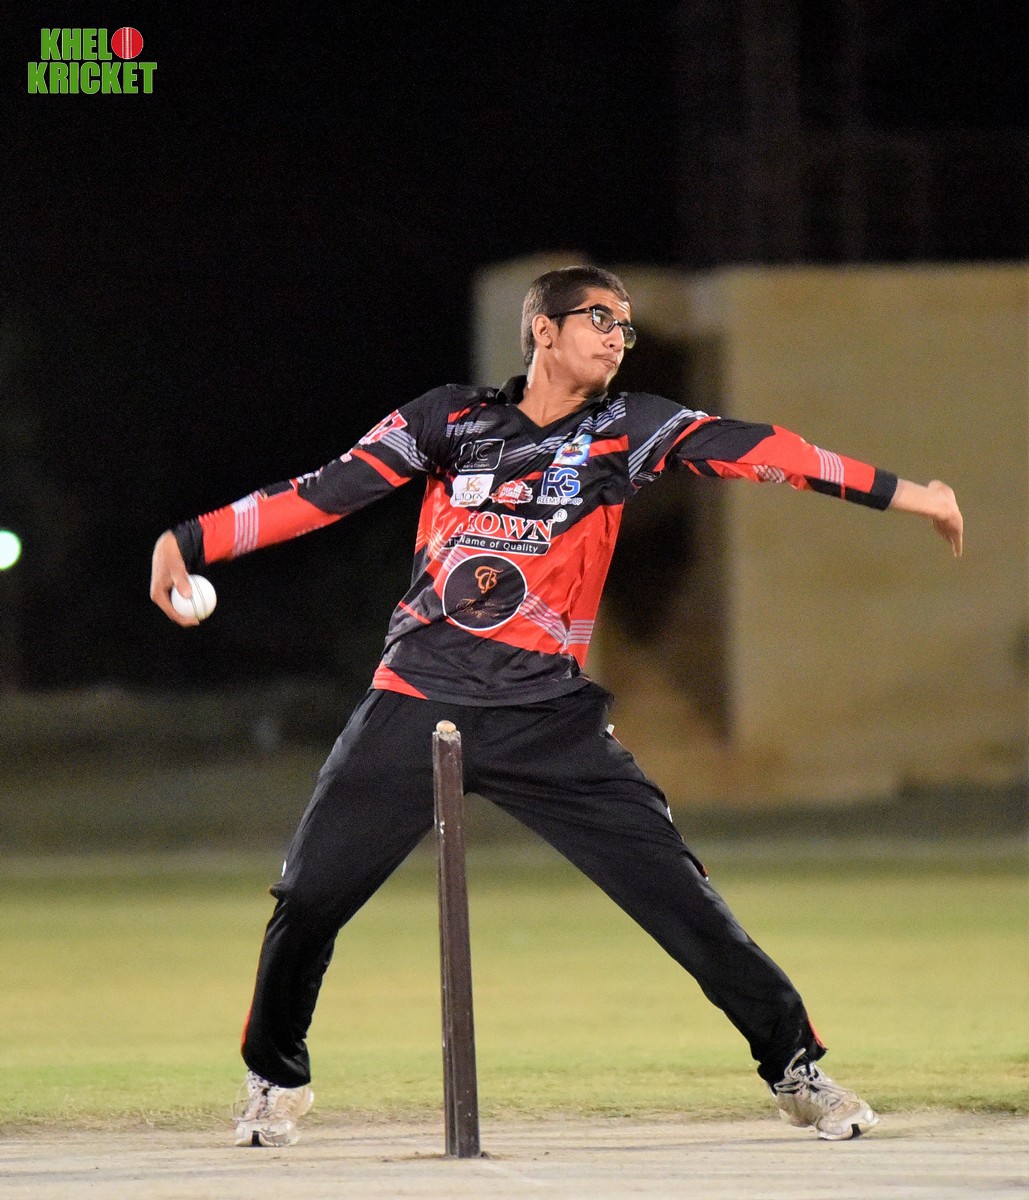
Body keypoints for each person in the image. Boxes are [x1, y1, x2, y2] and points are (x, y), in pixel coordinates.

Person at [151, 265, 963, 1148]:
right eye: (599, 319)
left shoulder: (626, 429)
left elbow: (765, 450)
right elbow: (322, 493)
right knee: (308, 899)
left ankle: (794, 1067)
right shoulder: (448, 420)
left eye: (626, 327)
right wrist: (189, 540)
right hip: (416, 700)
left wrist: (910, 493)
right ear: (543, 328)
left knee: (680, 898)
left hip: (547, 718)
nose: (617, 337)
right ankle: (275, 1079)